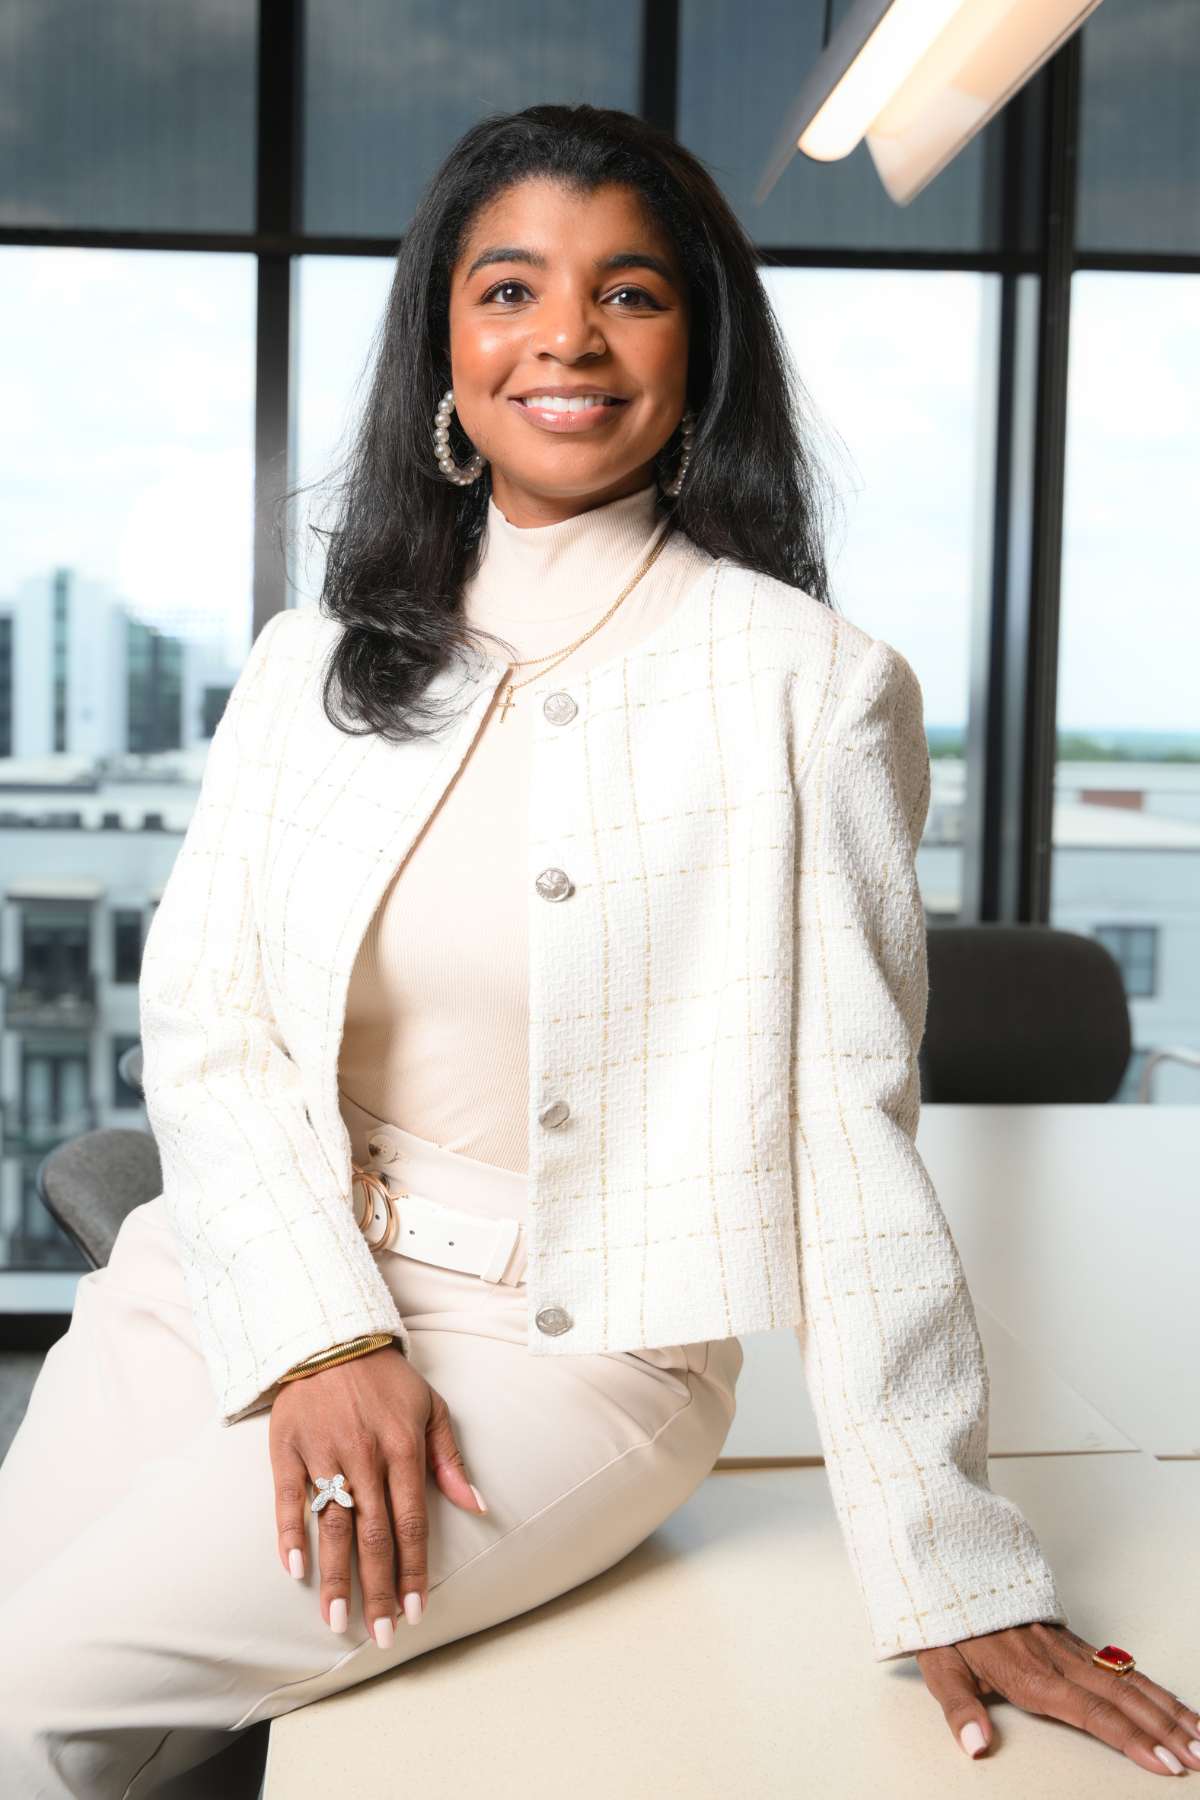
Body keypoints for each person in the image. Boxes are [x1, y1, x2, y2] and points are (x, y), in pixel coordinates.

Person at [0, 104, 1196, 1797]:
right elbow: (209, 1028)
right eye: (508, 290)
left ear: (698, 353)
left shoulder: (808, 688)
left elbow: (849, 1139)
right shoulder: (310, 659)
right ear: (445, 342)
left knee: (31, 1700)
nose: (564, 335)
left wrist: (955, 1562)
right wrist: (326, 1339)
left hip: (561, 1358)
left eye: (629, 293)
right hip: (234, 1282)